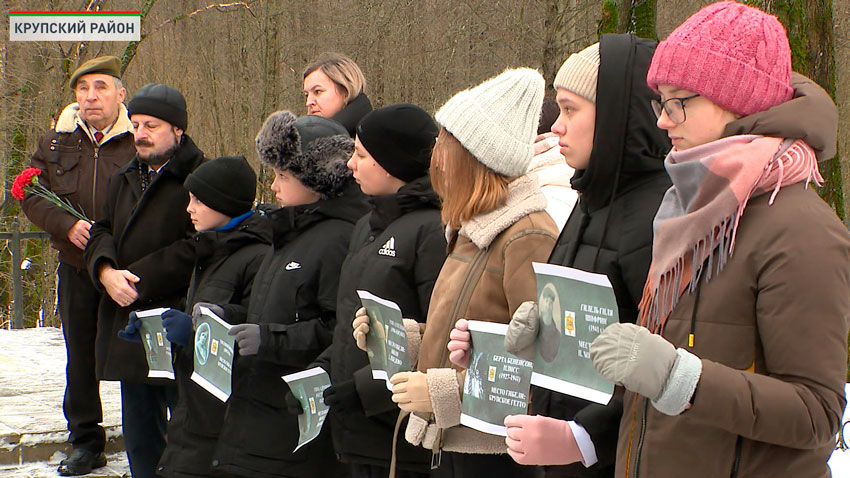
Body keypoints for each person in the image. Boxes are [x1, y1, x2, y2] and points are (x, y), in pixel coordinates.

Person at [588, 3, 850, 477]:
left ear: (736, 101)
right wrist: (558, 337)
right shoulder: (689, 211)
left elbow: (817, 413)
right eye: (659, 103)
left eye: (678, 102)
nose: (663, 120)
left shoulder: (802, 231)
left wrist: (681, 379)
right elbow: (651, 371)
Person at [448, 34, 672, 478]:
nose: (557, 127)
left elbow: (673, 367)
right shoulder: (587, 201)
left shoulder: (658, 216)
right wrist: (496, 351)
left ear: (615, 117)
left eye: (571, 109)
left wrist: (585, 439)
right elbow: (579, 343)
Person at [387, 68, 559, 478]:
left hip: (494, 456)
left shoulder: (526, 234)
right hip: (454, 443)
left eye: (448, 145)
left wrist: (442, 391)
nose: (438, 158)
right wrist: (405, 337)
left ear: (478, 159)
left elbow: (543, 364)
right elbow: (476, 327)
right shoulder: (471, 228)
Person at [208, 112, 369, 478]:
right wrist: (229, 316)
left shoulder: (338, 239)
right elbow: (275, 307)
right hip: (258, 411)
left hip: (295, 421)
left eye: (283, 176)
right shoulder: (289, 230)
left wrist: (270, 339)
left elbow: (342, 332)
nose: (274, 187)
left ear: (318, 179)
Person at [311, 104, 445, 478]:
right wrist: (325, 370)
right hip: (357, 431)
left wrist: (367, 390)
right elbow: (351, 319)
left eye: (362, 155)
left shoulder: (431, 231)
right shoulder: (368, 224)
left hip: (401, 435)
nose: (351, 164)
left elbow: (437, 333)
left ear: (392, 163)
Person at [20, 55, 135, 476]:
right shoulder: (54, 142)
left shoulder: (139, 137)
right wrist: (66, 225)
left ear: (120, 94)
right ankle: (86, 442)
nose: (91, 97)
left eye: (101, 87)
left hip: (129, 269)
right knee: (80, 358)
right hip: (76, 268)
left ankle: (148, 434)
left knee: (137, 353)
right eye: (83, 89)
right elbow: (29, 192)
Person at [85, 83, 205, 478]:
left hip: (177, 320)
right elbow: (101, 230)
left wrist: (136, 279)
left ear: (178, 131)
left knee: (188, 434)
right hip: (129, 325)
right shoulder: (124, 176)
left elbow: (200, 245)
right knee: (140, 436)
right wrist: (105, 272)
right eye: (136, 124)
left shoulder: (199, 177)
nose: (140, 134)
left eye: (151, 125)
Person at [154, 156, 272, 478]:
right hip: (192, 406)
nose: (189, 209)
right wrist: (158, 328)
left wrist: (193, 330)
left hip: (223, 417)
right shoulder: (211, 249)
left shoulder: (256, 255)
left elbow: (251, 324)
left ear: (225, 204)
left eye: (198, 201)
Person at [303, 52, 373, 136]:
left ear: (345, 93)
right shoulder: (302, 139)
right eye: (306, 95)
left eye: (318, 91)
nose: (308, 102)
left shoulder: (371, 141)